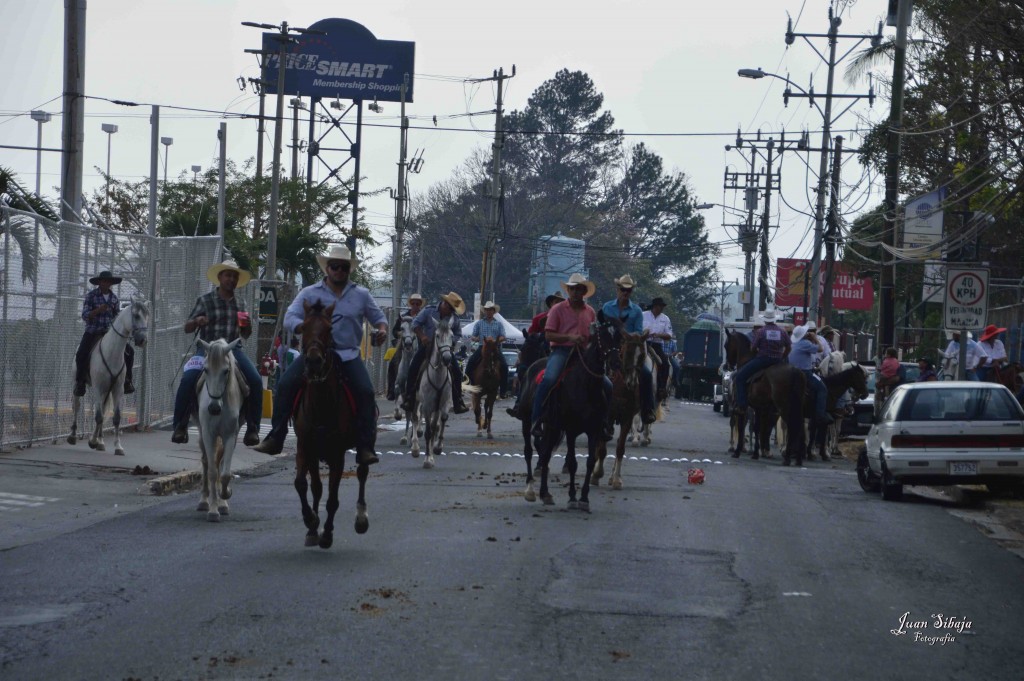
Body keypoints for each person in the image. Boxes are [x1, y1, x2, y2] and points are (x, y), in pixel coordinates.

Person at [253, 245, 388, 463]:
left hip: (348, 355)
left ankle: (365, 446)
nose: (339, 271)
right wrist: (303, 327)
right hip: (315, 355)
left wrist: (381, 330)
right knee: (286, 384)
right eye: (334, 266)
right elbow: (289, 317)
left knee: (365, 391)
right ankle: (276, 436)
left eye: (344, 267)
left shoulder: (361, 294)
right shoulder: (309, 293)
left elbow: (379, 318)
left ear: (348, 270)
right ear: (327, 268)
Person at [171, 260, 263, 446]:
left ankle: (253, 427)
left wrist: (247, 325)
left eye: (235, 276)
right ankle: (180, 425)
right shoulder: (205, 300)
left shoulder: (241, 303)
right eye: (228, 275)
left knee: (255, 379)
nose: (231, 279)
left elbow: (245, 334)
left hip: (232, 349)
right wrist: (197, 321)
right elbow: (187, 327)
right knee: (188, 379)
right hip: (207, 350)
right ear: (220, 277)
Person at [530, 273, 613, 441]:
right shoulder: (557, 309)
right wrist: (570, 338)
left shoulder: (590, 312)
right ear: (568, 290)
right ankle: (537, 419)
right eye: (573, 289)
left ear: (584, 291)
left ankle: (605, 423)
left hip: (583, 353)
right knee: (549, 378)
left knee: (608, 385)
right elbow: (549, 336)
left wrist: (592, 338)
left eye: (579, 289)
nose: (576, 292)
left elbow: (592, 335)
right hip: (562, 351)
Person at [401, 291, 470, 415]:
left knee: (457, 373)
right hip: (427, 346)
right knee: (413, 368)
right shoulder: (428, 311)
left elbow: (458, 333)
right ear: (445, 304)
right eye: (451, 308)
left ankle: (458, 401)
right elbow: (415, 324)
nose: (451, 311)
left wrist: (451, 341)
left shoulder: (454, 318)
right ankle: (409, 398)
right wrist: (422, 336)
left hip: (444, 348)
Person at [599, 274, 655, 424]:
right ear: (617, 289)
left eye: (628, 290)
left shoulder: (636, 311)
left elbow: (638, 331)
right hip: (610, 347)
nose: (625, 293)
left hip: (630, 347)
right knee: (593, 368)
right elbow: (603, 328)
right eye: (623, 289)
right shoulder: (607, 307)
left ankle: (647, 409)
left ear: (631, 292)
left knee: (647, 374)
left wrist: (626, 335)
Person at [74, 270, 136, 397]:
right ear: (99, 282)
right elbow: (85, 315)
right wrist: (98, 310)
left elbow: (116, 317)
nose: (106, 283)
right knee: (81, 353)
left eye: (108, 282)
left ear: (111, 283)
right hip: (93, 331)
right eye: (104, 281)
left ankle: (127, 381)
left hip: (109, 333)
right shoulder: (91, 296)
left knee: (130, 352)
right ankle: (80, 382)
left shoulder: (114, 299)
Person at [731, 309, 790, 411]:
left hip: (763, 359)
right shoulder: (782, 332)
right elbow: (789, 347)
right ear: (774, 319)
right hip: (778, 361)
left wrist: (755, 353)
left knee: (740, 377)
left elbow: (753, 348)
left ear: (765, 320)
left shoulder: (761, 332)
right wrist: (783, 357)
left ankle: (742, 405)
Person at [789, 324, 834, 425]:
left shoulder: (792, 343)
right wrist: (814, 338)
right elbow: (821, 349)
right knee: (822, 388)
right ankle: (820, 415)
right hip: (805, 372)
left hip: (791, 371)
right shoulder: (805, 343)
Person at [465, 301, 510, 394]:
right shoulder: (479, 323)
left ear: (494, 311)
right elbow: (473, 336)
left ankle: (503, 391)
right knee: (470, 363)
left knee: (505, 366)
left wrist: (495, 341)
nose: (488, 312)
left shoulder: (499, 324)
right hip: (482, 347)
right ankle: (469, 386)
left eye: (490, 310)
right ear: (484, 311)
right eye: (487, 310)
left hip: (495, 348)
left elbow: (503, 336)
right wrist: (477, 338)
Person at [386, 293, 425, 401]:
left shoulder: (423, 316)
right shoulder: (403, 316)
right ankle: (391, 391)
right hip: (404, 344)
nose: (415, 305)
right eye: (413, 303)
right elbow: (394, 330)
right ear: (410, 304)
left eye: (418, 303)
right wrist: (400, 334)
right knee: (393, 362)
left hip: (419, 343)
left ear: (420, 305)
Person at [642, 297, 674, 401]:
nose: (661, 309)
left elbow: (669, 335)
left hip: (656, 345)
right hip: (642, 343)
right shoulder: (643, 315)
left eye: (662, 307)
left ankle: (661, 388)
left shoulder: (665, 318)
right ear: (655, 306)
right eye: (660, 306)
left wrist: (659, 335)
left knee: (664, 363)